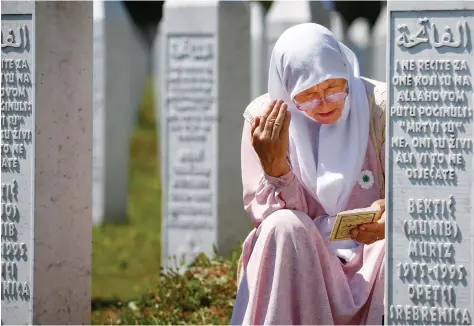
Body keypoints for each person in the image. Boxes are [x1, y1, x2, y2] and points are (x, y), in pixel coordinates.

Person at [231, 23, 387, 325]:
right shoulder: (264, 121)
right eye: (308, 95)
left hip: (371, 255)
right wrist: (276, 168)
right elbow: (265, 220)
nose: (325, 103)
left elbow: (415, 193)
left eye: (332, 87)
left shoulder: (380, 106)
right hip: (303, 256)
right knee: (282, 226)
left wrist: (389, 218)